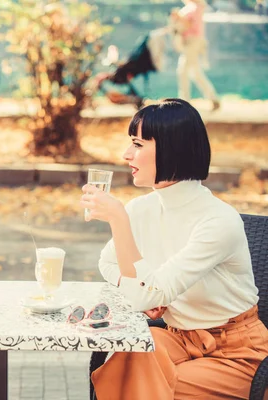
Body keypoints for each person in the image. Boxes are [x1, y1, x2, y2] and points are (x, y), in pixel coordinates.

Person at [81, 98, 267, 399]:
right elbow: (108, 264)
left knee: (139, 384)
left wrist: (118, 220)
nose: (126, 154)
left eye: (138, 144)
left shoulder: (217, 221)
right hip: (178, 337)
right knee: (132, 354)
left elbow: (144, 291)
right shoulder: (142, 209)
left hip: (237, 352)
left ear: (171, 148)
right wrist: (145, 292)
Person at [170, 0, 220, 110]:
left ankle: (184, 102)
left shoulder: (197, 7)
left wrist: (178, 18)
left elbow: (189, 24)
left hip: (193, 42)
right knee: (196, 74)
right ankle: (213, 99)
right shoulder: (188, 8)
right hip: (188, 43)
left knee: (183, 71)